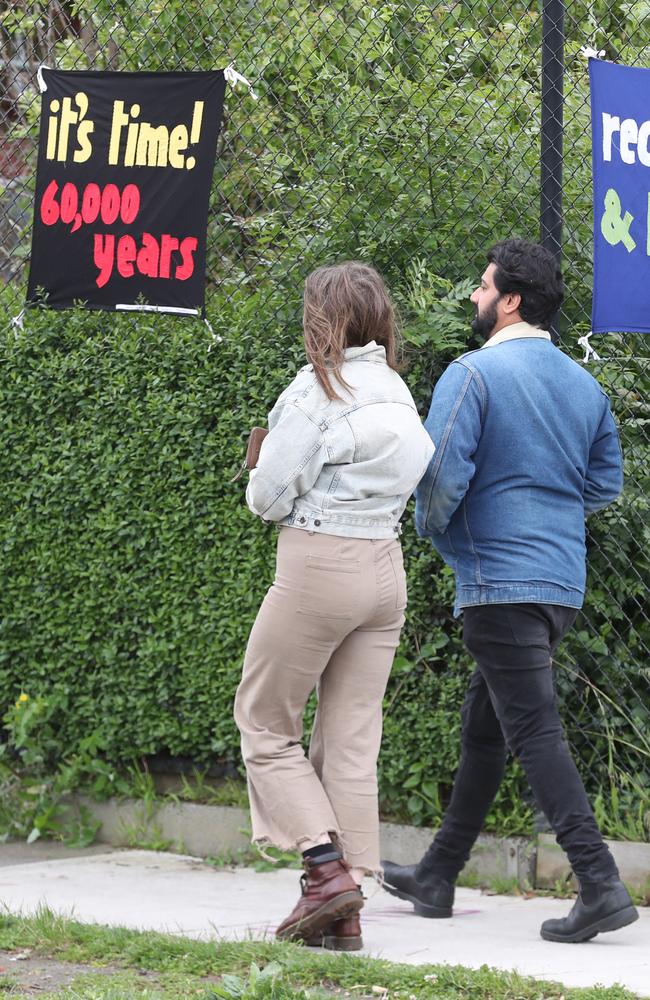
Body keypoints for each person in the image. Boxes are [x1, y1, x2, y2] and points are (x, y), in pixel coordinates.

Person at [381, 238, 639, 943]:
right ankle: (438, 874)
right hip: (559, 581)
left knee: (533, 731)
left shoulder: (474, 374)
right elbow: (603, 484)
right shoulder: (583, 386)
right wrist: (545, 514)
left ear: (511, 299)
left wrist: (441, 537)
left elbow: (437, 481)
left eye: (482, 284)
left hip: (499, 580)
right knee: (486, 728)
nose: (473, 294)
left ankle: (599, 882)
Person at [234, 261, 435, 950]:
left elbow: (266, 499)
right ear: (379, 317)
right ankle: (343, 914)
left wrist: (260, 467)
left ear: (322, 318)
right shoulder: (398, 390)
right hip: (386, 569)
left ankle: (324, 872)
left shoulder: (315, 391)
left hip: (320, 564)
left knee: (264, 721)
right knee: (349, 739)